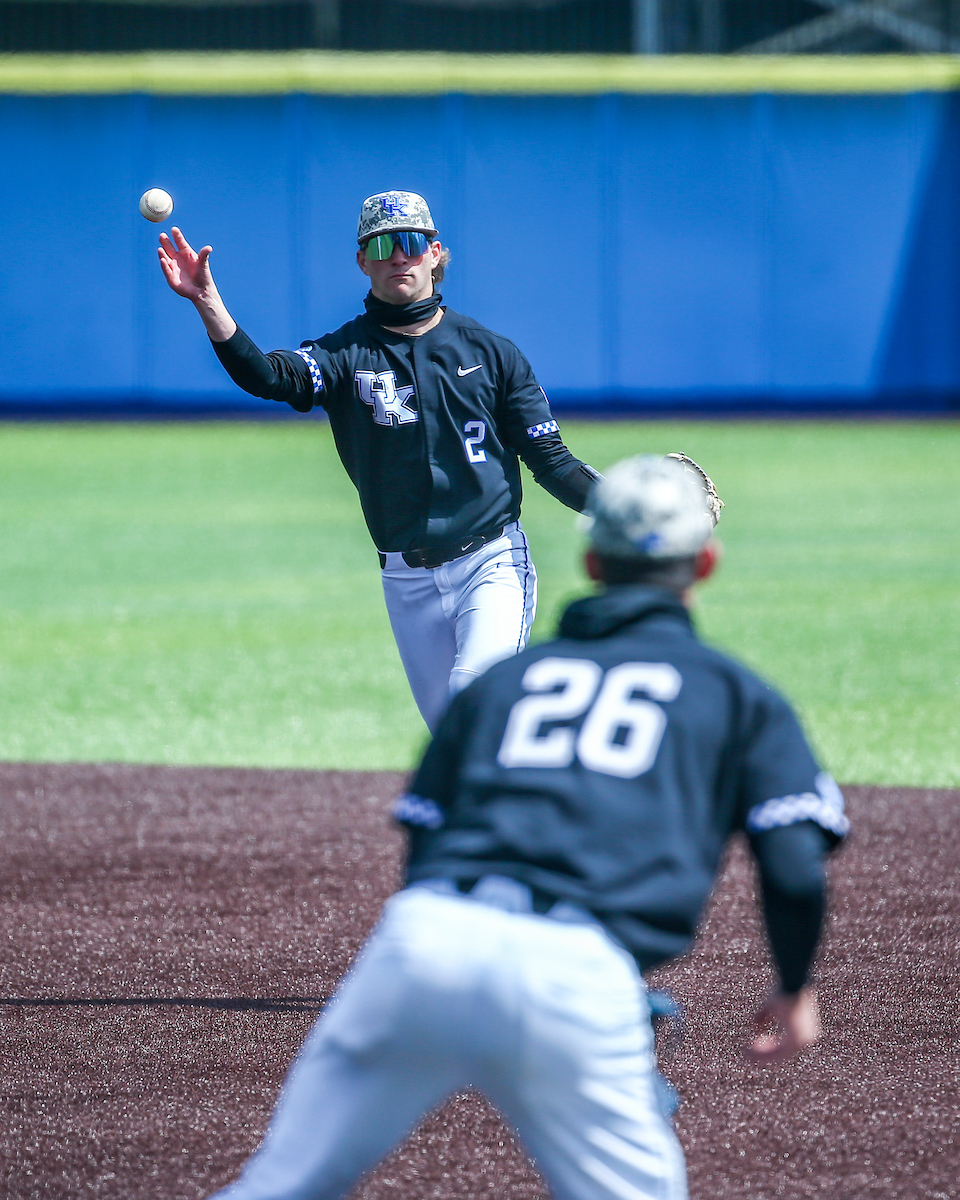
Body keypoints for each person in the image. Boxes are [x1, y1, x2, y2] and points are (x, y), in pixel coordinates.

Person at [204, 453, 849, 1200]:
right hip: (577, 973)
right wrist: (796, 987)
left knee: (279, 1185)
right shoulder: (737, 696)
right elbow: (795, 864)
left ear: (589, 560)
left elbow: (425, 835)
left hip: (422, 945)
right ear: (705, 562)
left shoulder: (504, 683)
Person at [157, 190, 602, 730]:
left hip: (491, 561)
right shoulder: (344, 355)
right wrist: (208, 301)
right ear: (363, 260)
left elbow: (550, 459)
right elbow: (269, 376)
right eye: (383, 244)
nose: (398, 256)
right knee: (451, 743)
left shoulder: (491, 353)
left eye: (411, 242)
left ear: (435, 253)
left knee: (473, 704)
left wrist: (627, 507)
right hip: (404, 577)